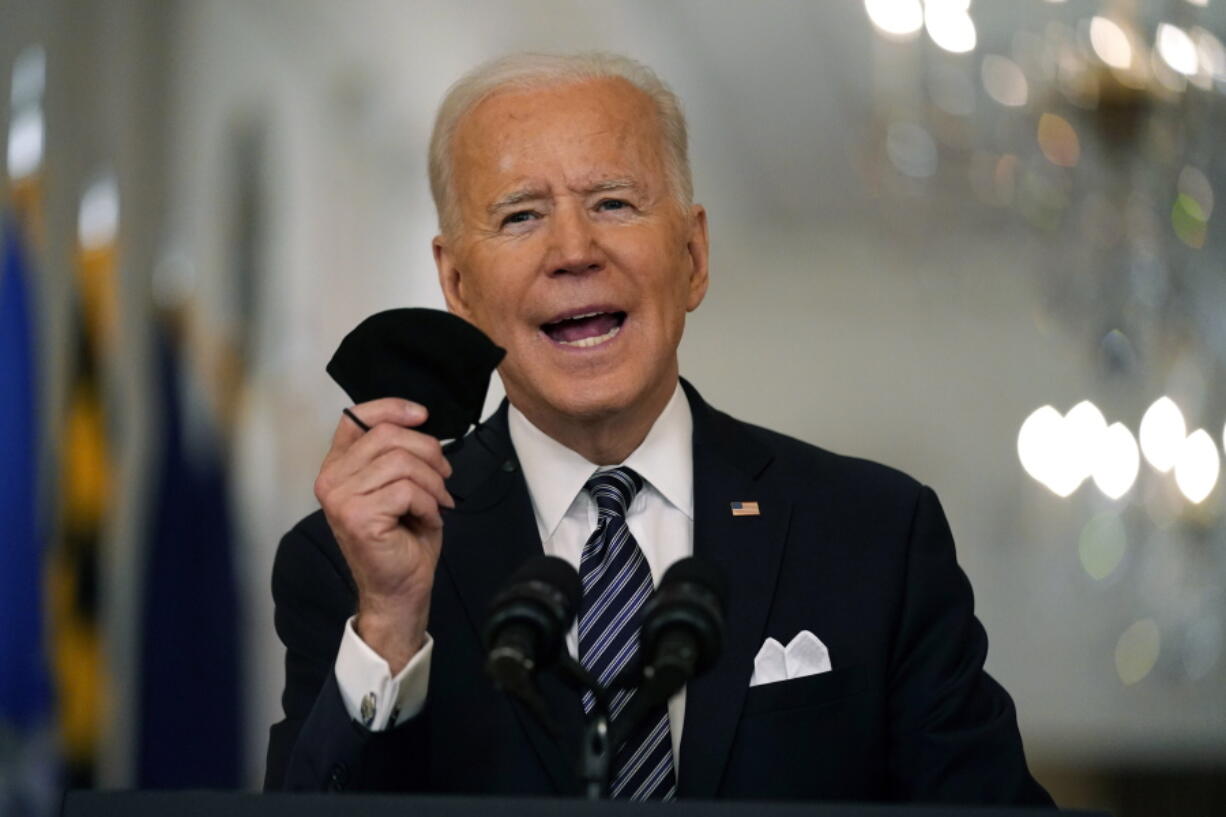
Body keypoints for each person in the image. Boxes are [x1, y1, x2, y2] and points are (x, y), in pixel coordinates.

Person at [265, 51, 1053, 805]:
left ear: (693, 256)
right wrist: (390, 625)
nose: (574, 250)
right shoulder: (350, 563)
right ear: (458, 285)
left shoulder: (874, 534)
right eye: (520, 215)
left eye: (613, 202)